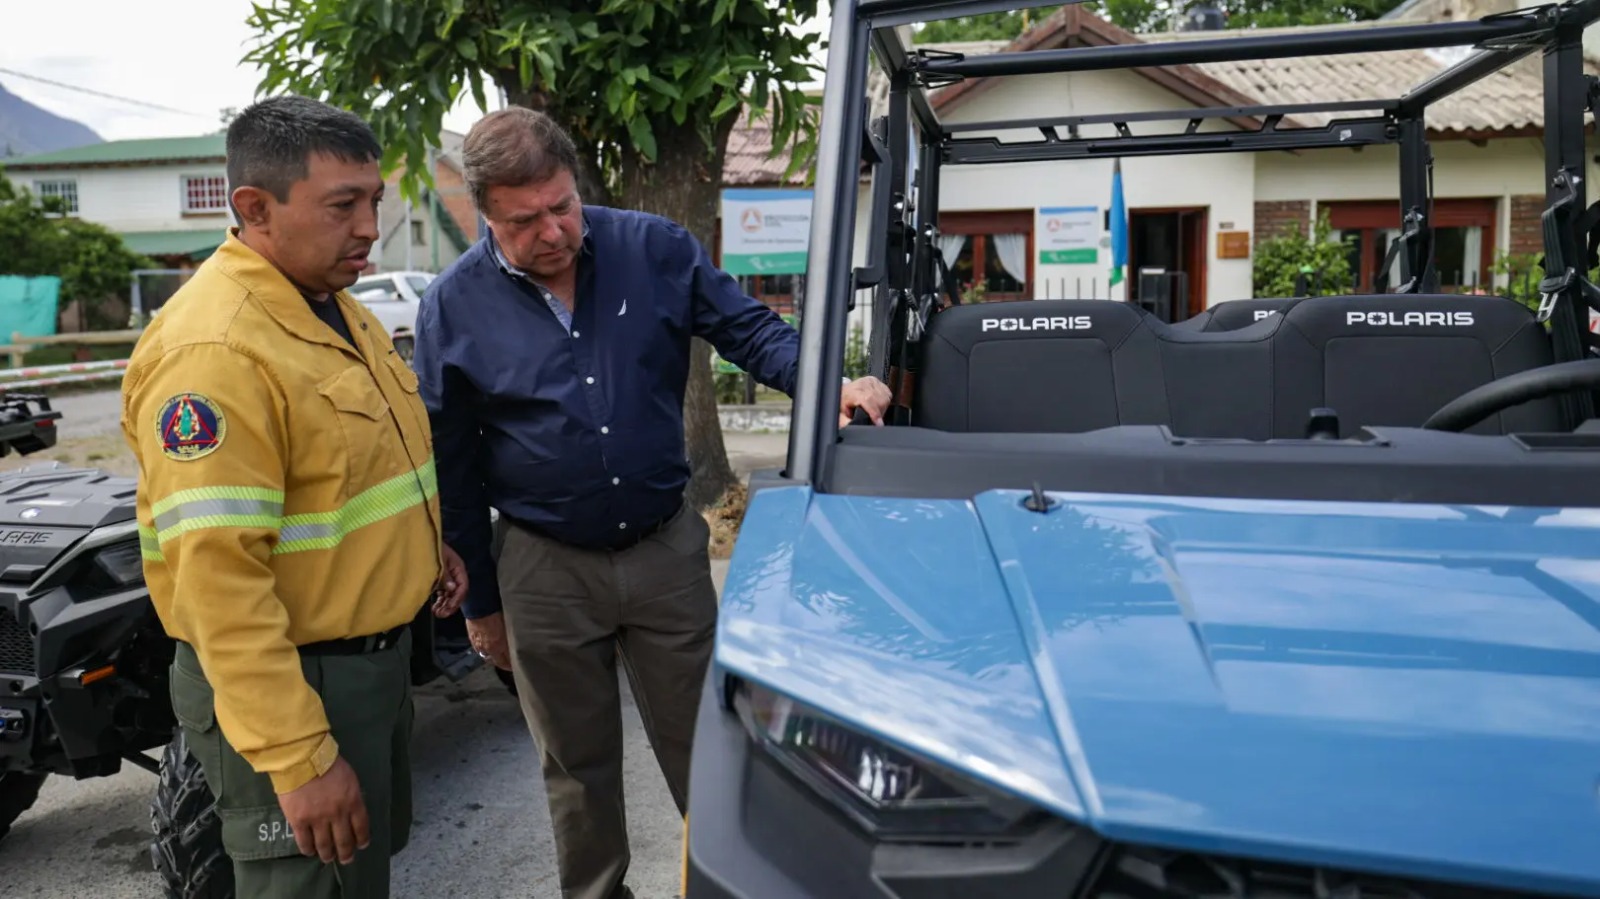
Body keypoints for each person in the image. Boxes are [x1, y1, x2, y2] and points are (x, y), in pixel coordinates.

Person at [411, 106, 891, 899]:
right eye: (524, 221)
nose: (553, 231)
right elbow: (452, 463)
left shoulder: (653, 249)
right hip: (541, 562)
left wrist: (826, 385)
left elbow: (752, 333)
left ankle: (727, 883)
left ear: (574, 184)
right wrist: (484, 605)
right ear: (484, 215)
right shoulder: (453, 306)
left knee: (707, 743)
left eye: (562, 206)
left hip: (664, 549)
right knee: (576, 763)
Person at [120, 94, 470, 899]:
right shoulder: (217, 350)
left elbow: (350, 473)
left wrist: (423, 548)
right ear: (254, 208)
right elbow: (218, 585)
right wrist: (298, 758)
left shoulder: (331, 307)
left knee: (356, 877)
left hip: (366, 670)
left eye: (374, 200)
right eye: (342, 205)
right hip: (296, 688)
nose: (368, 228)